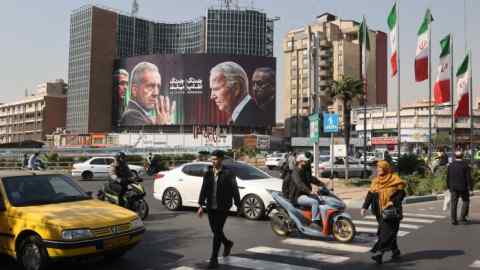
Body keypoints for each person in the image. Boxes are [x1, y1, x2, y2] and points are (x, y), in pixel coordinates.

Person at [197, 150, 241, 269]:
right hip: (211, 206)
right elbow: (204, 188)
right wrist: (201, 205)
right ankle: (227, 243)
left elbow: (234, 189)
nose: (213, 161)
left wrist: (238, 205)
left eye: (215, 159)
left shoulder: (228, 173)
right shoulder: (208, 172)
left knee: (217, 231)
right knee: (215, 230)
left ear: (221, 159)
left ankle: (214, 258)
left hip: (223, 206)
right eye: (212, 159)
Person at [361, 160, 406, 264]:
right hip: (379, 211)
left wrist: (392, 202)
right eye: (378, 168)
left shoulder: (395, 179)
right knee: (388, 232)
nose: (378, 170)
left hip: (391, 211)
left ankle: (379, 254)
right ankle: (395, 250)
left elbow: (401, 194)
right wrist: (364, 207)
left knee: (385, 233)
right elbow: (370, 195)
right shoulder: (375, 181)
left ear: (386, 168)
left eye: (380, 168)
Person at [119, 62, 176, 126]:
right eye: (150, 86)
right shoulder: (131, 115)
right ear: (134, 90)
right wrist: (162, 126)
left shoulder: (142, 115)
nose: (156, 93)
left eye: (158, 86)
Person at [209, 62, 264, 127]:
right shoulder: (242, 116)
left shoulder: (255, 119)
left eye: (217, 89)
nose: (212, 96)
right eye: (212, 89)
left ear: (236, 88)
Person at [288, 153, 323, 229]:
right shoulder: (295, 171)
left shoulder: (305, 169)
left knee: (321, 199)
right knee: (314, 202)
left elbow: (310, 179)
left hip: (305, 193)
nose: (308, 162)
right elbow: (299, 184)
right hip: (297, 196)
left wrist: (321, 184)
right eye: (306, 161)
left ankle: (317, 219)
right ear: (300, 161)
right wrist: (310, 191)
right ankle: (315, 222)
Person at [447, 151, 473, 225]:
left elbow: (448, 177)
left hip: (453, 187)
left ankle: (453, 220)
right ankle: (462, 217)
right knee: (466, 201)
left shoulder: (450, 165)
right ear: (462, 156)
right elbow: (468, 178)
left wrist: (448, 187)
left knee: (454, 203)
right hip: (463, 187)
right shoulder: (465, 166)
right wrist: (470, 189)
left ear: (455, 156)